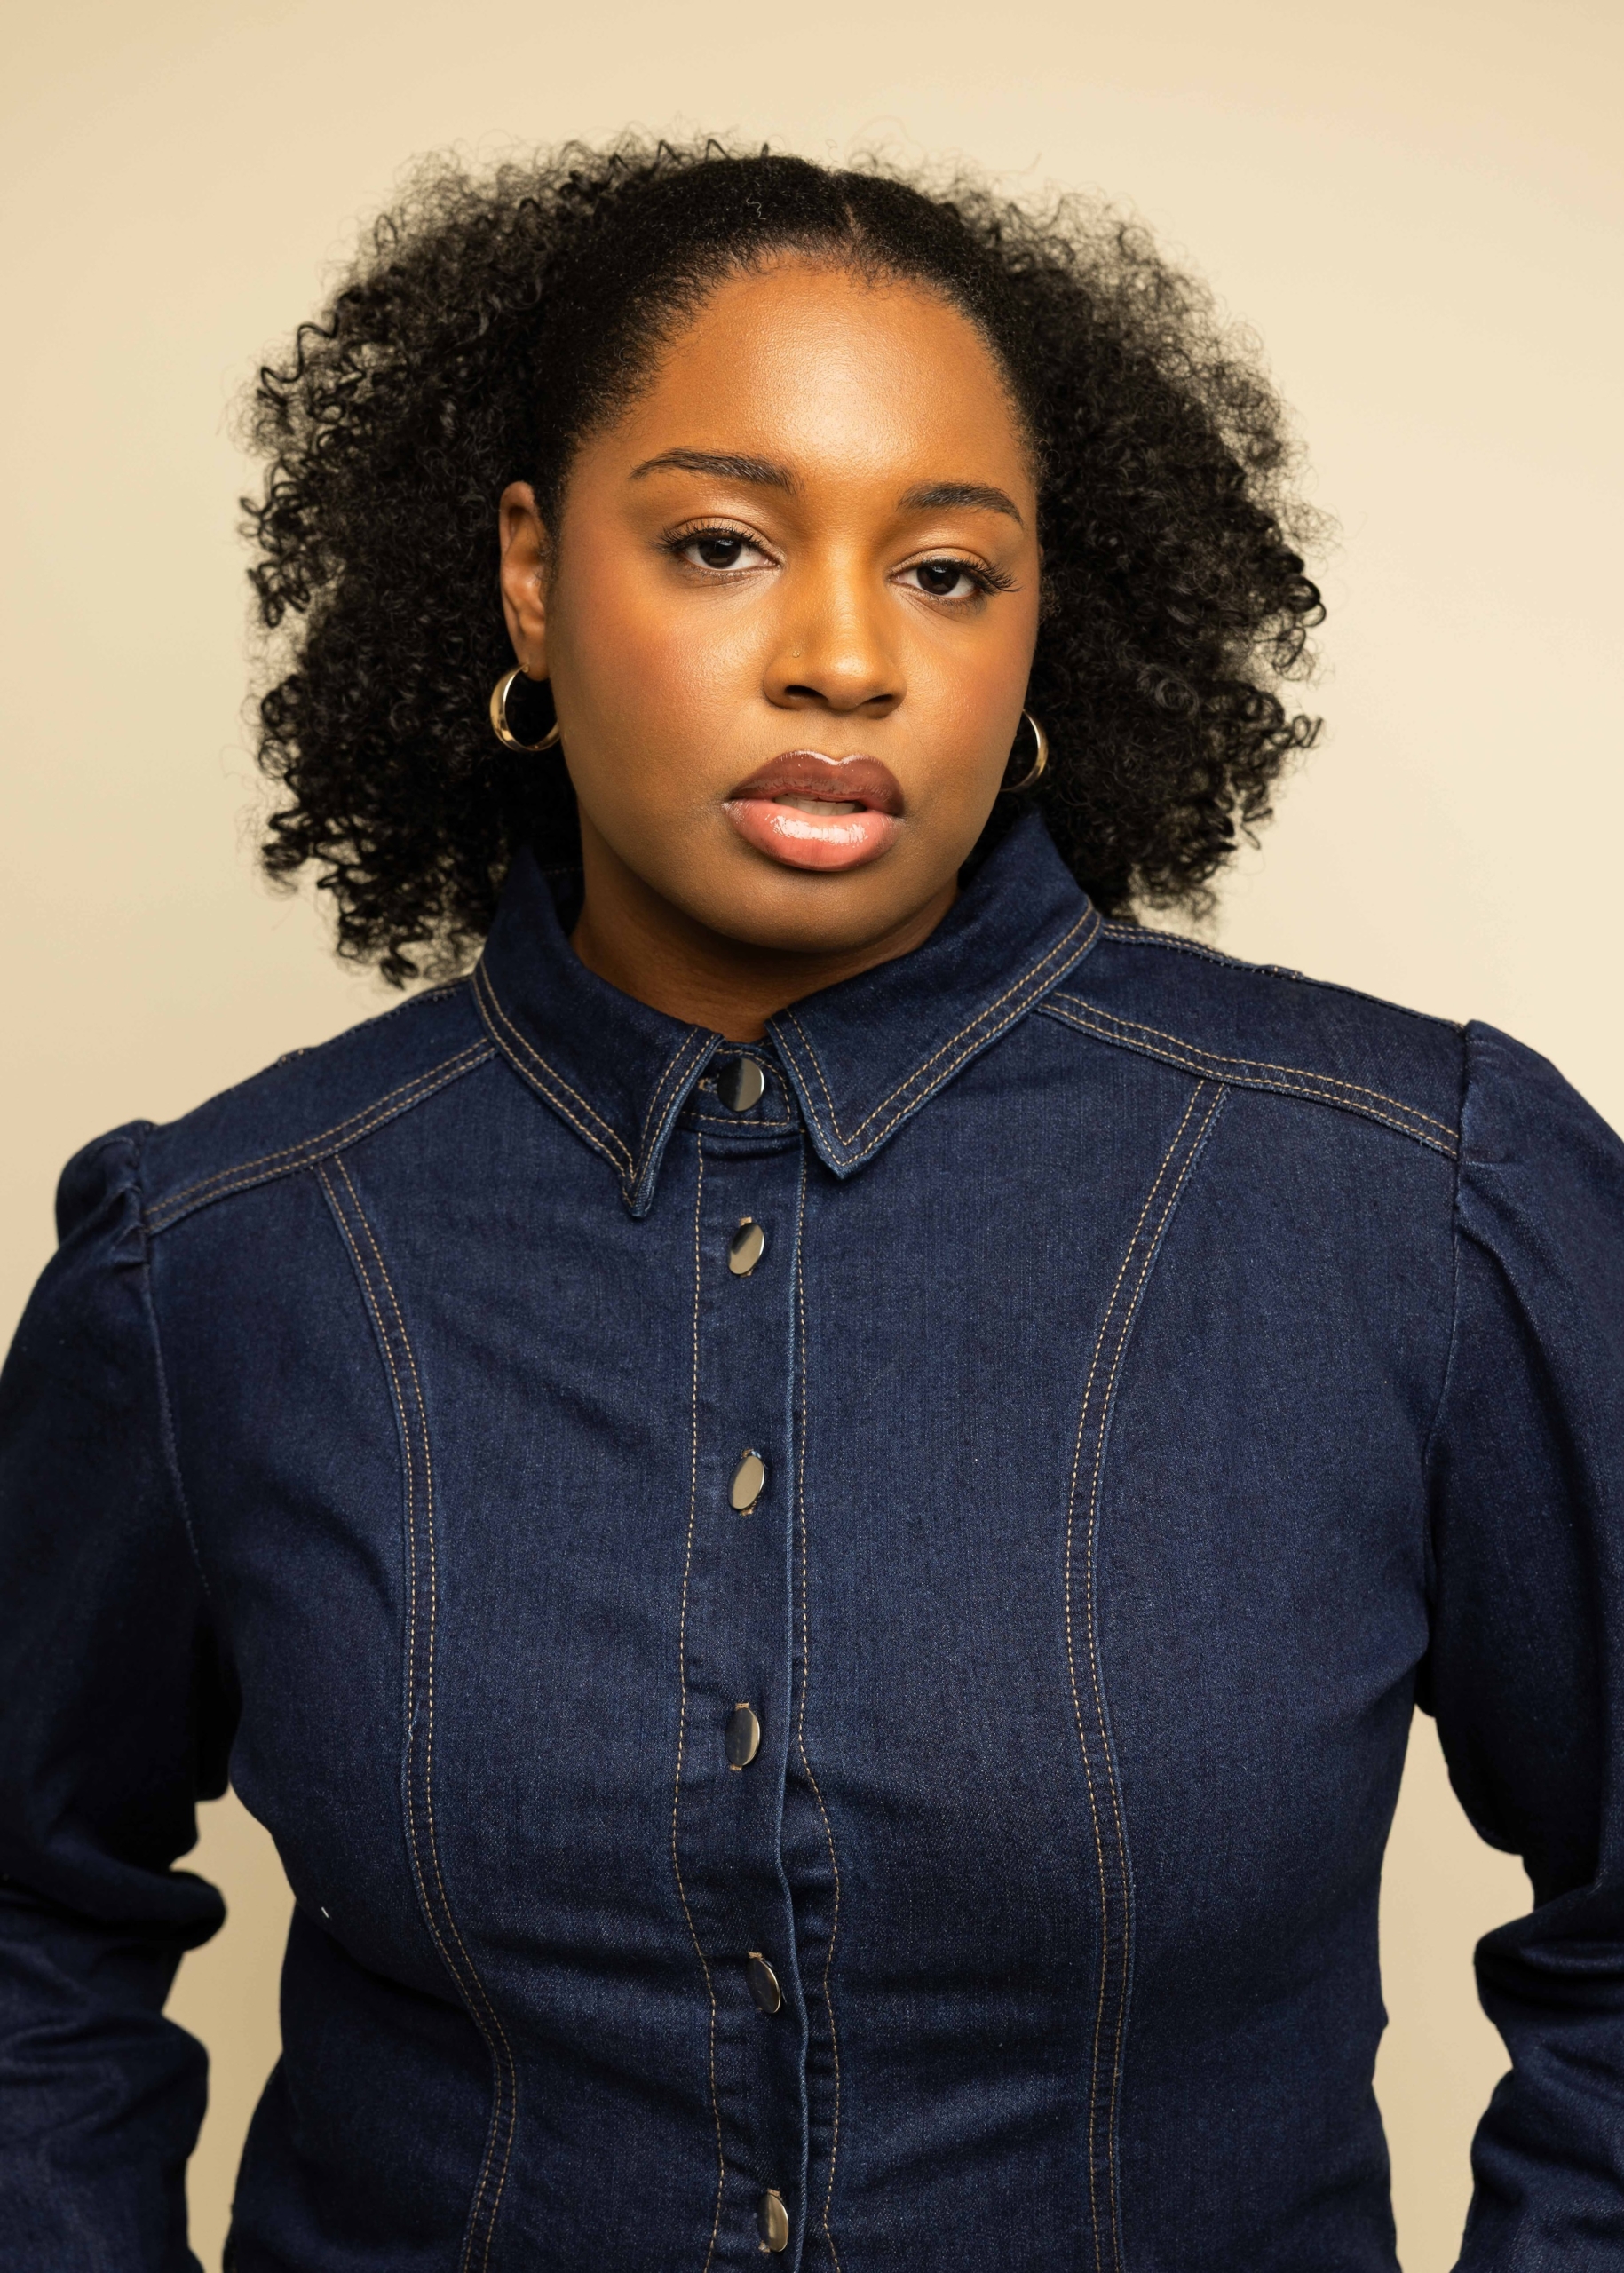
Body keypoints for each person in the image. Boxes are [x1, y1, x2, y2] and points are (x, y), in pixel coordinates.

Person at [1, 137, 1620, 2273]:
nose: (846, 657)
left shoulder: (1420, 1203)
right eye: (721, 543)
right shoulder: (222, 1257)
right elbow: (30, 1936)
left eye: (946, 571)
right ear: (529, 574)